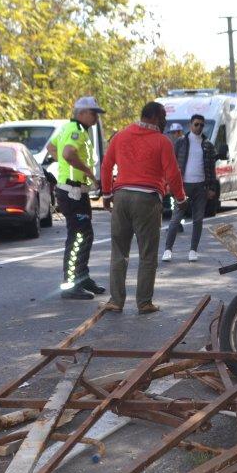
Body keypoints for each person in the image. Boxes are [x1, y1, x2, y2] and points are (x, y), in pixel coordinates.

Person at [100, 101, 185, 314]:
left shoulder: (120, 136)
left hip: (121, 197)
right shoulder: (162, 141)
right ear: (155, 117)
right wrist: (181, 198)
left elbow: (106, 165)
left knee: (119, 251)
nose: (165, 121)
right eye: (164, 116)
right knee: (147, 253)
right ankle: (144, 302)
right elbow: (173, 174)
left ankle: (115, 300)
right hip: (147, 199)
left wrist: (107, 193)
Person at [49, 96, 106, 300]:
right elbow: (67, 153)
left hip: (73, 191)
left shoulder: (67, 128)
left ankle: (82, 277)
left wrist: (66, 168)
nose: (95, 118)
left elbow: (51, 147)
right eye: (93, 113)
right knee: (79, 236)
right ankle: (71, 283)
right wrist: (89, 172)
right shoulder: (77, 131)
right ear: (81, 113)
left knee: (84, 234)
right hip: (72, 192)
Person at [163, 113, 216, 262]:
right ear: (190, 125)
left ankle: (193, 250)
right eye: (196, 124)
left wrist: (211, 187)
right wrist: (170, 184)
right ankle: (168, 249)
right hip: (183, 186)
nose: (199, 127)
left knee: (198, 220)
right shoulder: (181, 142)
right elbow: (172, 164)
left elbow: (212, 169)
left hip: (201, 186)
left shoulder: (208, 145)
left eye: (201, 125)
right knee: (176, 218)